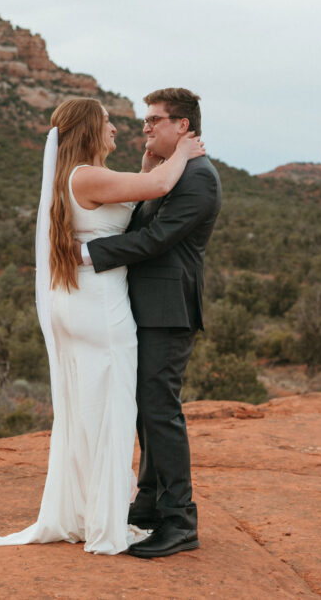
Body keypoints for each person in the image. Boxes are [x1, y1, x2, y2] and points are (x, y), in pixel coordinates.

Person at [0, 97, 206, 555]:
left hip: (80, 301)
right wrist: (180, 152)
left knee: (89, 406)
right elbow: (161, 188)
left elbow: (131, 199)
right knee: (112, 410)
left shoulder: (77, 176)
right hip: (101, 306)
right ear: (89, 129)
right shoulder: (88, 175)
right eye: (107, 123)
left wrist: (148, 166)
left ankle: (100, 506)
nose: (117, 130)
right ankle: (106, 516)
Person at [83, 87, 222, 558]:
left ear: (183, 126)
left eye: (154, 120)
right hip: (147, 307)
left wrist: (88, 254)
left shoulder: (199, 178)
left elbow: (156, 240)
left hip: (169, 311)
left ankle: (181, 520)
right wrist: (145, 170)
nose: (145, 127)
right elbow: (140, 225)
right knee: (145, 407)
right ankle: (148, 504)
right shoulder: (170, 173)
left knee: (160, 410)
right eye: (144, 120)